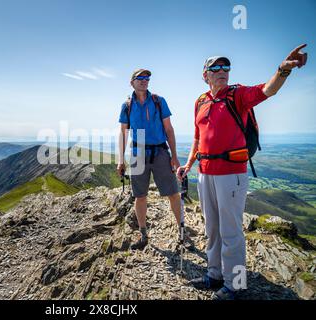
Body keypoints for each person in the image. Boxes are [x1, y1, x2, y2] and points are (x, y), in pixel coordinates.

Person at [177, 45, 308, 300]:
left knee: (231, 230)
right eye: (215, 67)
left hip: (231, 174)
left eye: (225, 66)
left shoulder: (237, 95)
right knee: (212, 228)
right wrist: (189, 164)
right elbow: (197, 137)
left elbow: (266, 90)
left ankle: (234, 285)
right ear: (205, 75)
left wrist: (283, 70)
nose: (222, 71)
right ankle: (214, 275)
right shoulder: (200, 101)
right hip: (205, 173)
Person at [117, 68, 183, 251]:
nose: (144, 80)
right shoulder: (127, 105)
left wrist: (174, 156)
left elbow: (169, 129)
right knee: (140, 196)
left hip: (160, 152)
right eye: (140, 78)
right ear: (132, 82)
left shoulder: (158, 101)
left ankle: (182, 232)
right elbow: (123, 133)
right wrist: (120, 160)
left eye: (147, 78)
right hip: (138, 152)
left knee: (173, 193)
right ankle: (143, 234)